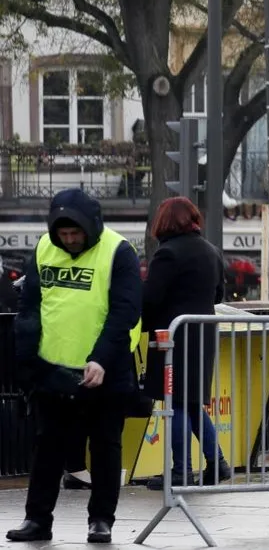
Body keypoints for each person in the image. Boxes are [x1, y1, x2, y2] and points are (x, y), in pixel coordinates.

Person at [7, 189, 142, 544]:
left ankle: (101, 520)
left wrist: (100, 358)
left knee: (105, 447)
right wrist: (28, 360)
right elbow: (31, 306)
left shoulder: (118, 251)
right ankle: (37, 519)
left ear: (91, 226)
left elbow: (124, 312)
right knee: (48, 447)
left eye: (75, 234)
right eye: (63, 234)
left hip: (105, 369)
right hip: (54, 369)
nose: (69, 241)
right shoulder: (44, 247)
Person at [141, 197, 230, 490]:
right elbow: (218, 295)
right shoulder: (212, 251)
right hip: (203, 335)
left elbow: (151, 298)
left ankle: (181, 471)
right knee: (191, 403)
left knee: (175, 403)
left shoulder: (167, 254)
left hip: (174, 338)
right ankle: (217, 463)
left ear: (163, 222)